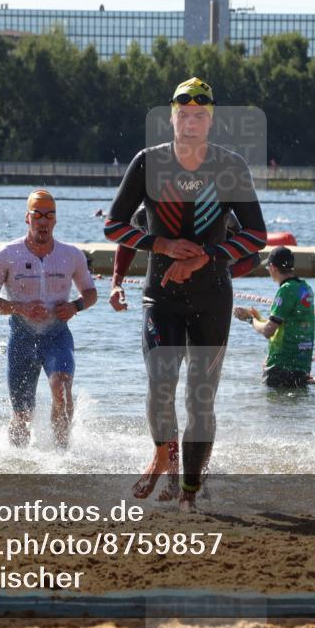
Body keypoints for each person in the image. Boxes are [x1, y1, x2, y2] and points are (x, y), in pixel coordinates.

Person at [104, 76, 267, 511]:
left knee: (200, 397)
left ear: (209, 122)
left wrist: (206, 256)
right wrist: (161, 245)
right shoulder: (148, 163)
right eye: (184, 115)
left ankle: (190, 493)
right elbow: (114, 226)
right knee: (160, 385)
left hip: (213, 297)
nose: (190, 123)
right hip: (162, 297)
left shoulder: (229, 167)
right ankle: (164, 457)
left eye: (200, 116)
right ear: (172, 117)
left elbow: (256, 235)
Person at [0, 190, 98, 449]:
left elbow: (90, 293)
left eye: (49, 216)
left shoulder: (71, 255)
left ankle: (61, 456)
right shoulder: (7, 254)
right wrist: (18, 308)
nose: (43, 222)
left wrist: (75, 306)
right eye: (37, 215)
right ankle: (19, 465)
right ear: (27, 218)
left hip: (57, 336)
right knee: (22, 414)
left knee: (62, 391)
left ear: (55, 220)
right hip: (22, 339)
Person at [108, 207, 260, 312]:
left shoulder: (220, 213)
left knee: (202, 358)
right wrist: (116, 284)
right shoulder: (145, 213)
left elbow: (253, 258)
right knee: (161, 358)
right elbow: (126, 242)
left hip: (209, 295)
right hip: (161, 295)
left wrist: (221, 273)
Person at [233, 247, 314, 389]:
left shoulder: (286, 290)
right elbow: (285, 325)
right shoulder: (305, 288)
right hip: (302, 366)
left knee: (274, 409)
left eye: (268, 267)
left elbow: (268, 331)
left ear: (273, 267)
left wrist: (250, 319)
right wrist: (259, 317)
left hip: (281, 366)